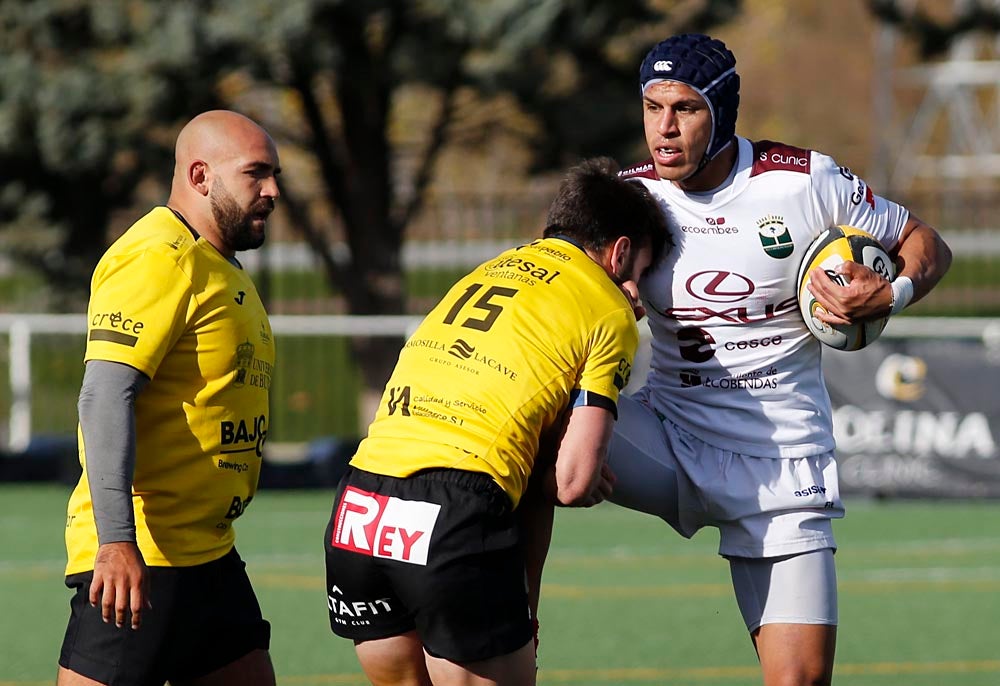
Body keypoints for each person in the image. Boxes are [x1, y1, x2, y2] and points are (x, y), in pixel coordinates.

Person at [609, 33, 953, 686]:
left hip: (780, 462)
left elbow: (921, 240)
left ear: (723, 111)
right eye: (652, 108)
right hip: (666, 434)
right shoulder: (629, 198)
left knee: (798, 680)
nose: (664, 129)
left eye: (684, 108)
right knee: (536, 426)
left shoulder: (804, 182)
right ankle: (510, 639)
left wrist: (891, 290)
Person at [323, 157, 670, 686]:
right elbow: (572, 484)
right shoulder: (608, 307)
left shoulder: (489, 268)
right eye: (642, 275)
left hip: (360, 503)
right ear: (620, 251)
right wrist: (570, 461)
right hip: (454, 509)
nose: (639, 299)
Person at [57, 110, 281, 686]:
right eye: (256, 174)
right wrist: (115, 544)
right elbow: (105, 396)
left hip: (208, 556)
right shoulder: (159, 256)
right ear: (201, 176)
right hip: (143, 560)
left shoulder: (219, 266)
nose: (273, 191)